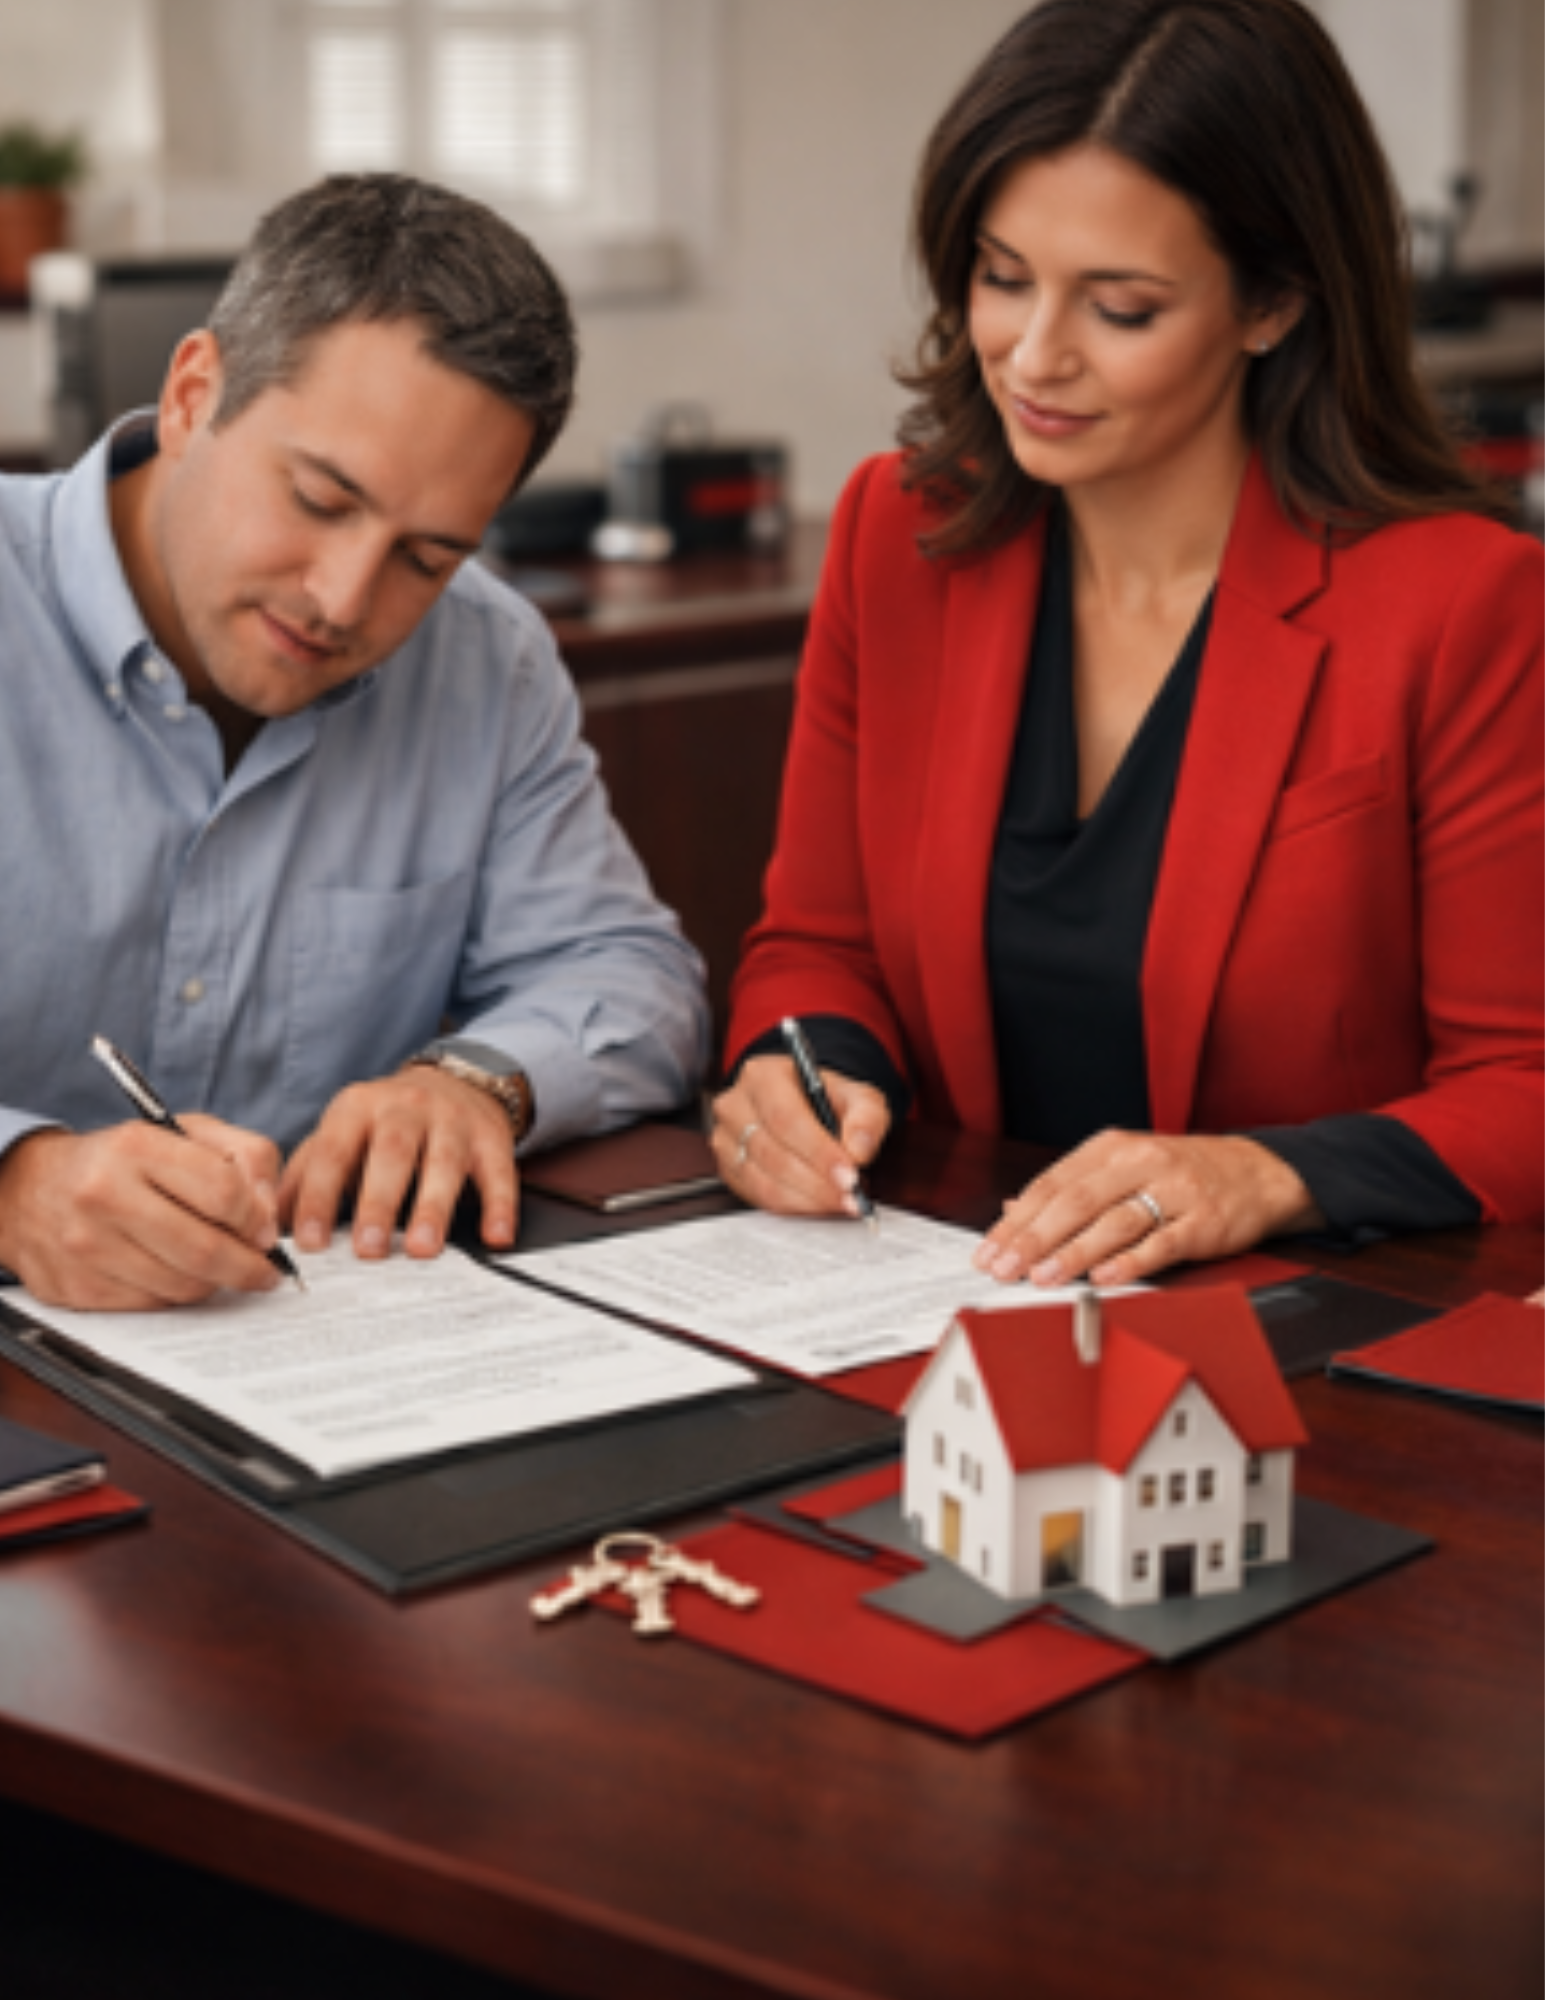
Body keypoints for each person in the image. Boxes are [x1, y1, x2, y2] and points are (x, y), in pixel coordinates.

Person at [712, 0, 1543, 1287]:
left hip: (1312, 1344)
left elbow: (1526, 1084)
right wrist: (804, 1073)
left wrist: (1265, 1171)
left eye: (1122, 307)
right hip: (945, 1301)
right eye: (1002, 277)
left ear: (1271, 303)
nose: (1034, 357)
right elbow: (819, 944)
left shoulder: (1466, 604)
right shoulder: (899, 533)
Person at [0, 174, 709, 1311]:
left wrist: (475, 1078)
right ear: (194, 395)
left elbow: (630, 974)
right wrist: (14, 1183)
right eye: (321, 499)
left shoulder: (490, 657)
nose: (341, 599)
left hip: (315, 1366)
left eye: (426, 558)